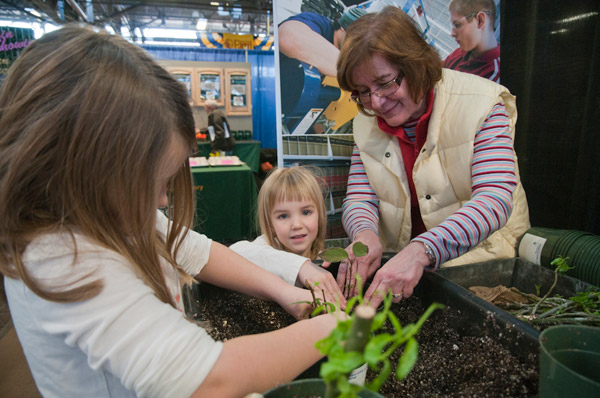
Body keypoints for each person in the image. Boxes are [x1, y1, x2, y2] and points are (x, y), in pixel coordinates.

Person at [0, 26, 342, 398]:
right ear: (90, 166)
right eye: (156, 182)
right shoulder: (63, 258)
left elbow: (198, 251)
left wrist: (281, 290)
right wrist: (331, 329)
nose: (163, 202)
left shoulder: (107, 208)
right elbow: (211, 381)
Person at [330, 6, 530, 309]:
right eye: (362, 92)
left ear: (416, 65)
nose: (376, 102)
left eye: (384, 83)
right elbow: (360, 197)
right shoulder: (366, 121)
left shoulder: (482, 103)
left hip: (482, 265)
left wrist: (421, 250)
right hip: (406, 270)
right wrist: (365, 235)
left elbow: (494, 199)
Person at [230, 166, 345, 306]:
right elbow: (234, 254)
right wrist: (300, 268)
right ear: (270, 224)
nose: (296, 225)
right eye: (283, 216)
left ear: (319, 215)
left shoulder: (324, 259)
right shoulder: (265, 246)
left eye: (306, 212)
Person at [443, 0, 501, 82]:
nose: (452, 34)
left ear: (480, 20)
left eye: (457, 25)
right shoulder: (461, 53)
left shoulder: (493, 78)